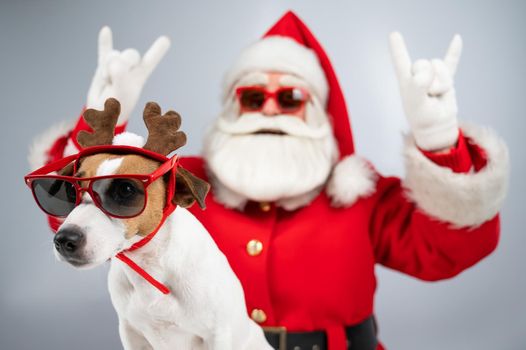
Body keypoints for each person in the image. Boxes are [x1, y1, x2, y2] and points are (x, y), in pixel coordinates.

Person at [29, 11, 509, 350]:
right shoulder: (179, 179)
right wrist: (97, 132)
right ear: (234, 108)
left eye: (291, 97)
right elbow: (80, 223)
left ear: (320, 112)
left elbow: (454, 248)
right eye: (254, 96)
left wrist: (440, 141)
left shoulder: (363, 194)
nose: (272, 109)